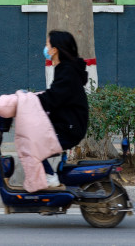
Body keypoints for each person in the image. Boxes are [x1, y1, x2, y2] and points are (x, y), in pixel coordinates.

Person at [39, 30, 89, 187]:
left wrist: (27, 101)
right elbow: (56, 96)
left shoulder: (67, 71)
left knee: (33, 146)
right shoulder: (66, 69)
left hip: (69, 128)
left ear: (55, 49)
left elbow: (53, 97)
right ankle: (54, 175)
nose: (45, 48)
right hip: (67, 125)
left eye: (47, 45)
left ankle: (50, 177)